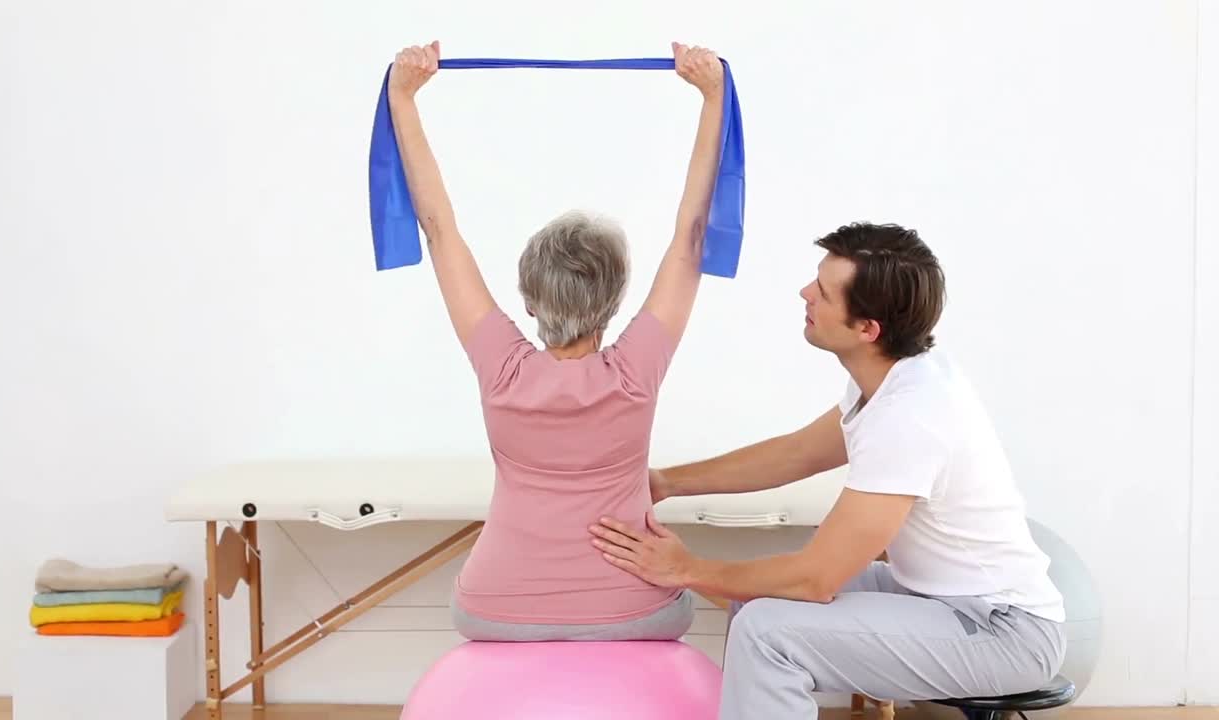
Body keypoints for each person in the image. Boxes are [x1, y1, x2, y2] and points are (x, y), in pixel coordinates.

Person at [587, 222, 1067, 719]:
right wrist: (666, 482)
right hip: (932, 594)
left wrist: (685, 567)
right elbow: (796, 454)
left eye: (823, 291)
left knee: (769, 631)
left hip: (1002, 633)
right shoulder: (895, 379)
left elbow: (817, 579)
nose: (805, 293)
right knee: (755, 600)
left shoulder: (912, 416)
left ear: (867, 330)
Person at [386, 40, 726, 641]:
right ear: (617, 301)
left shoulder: (502, 367)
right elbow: (693, 236)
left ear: (527, 301)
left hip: (496, 609)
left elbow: (438, 229)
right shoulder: (635, 370)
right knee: (683, 611)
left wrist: (403, 97)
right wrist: (713, 95)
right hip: (634, 610)